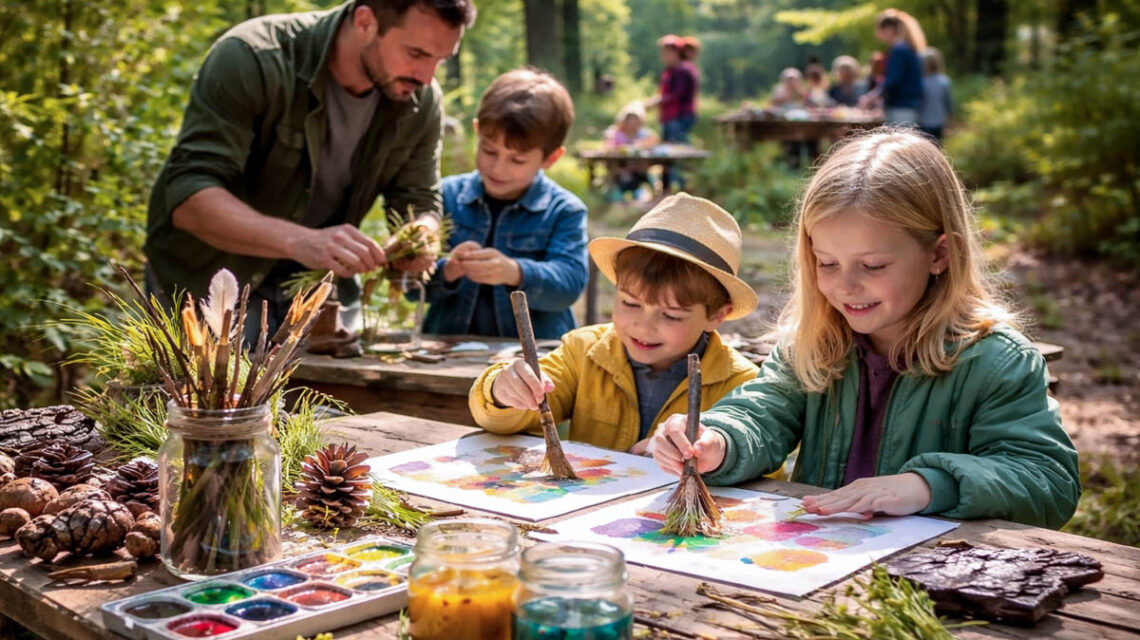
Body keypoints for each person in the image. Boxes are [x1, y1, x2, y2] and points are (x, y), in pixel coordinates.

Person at [649, 130, 1080, 529]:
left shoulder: (997, 363)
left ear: (940, 254)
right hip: (819, 564)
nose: (845, 286)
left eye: (873, 266)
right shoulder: (813, 346)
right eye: (827, 263)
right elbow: (761, 415)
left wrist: (926, 486)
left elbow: (1048, 481)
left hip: (934, 583)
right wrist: (717, 439)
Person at [144, 0, 476, 339]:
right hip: (207, 285)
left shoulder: (421, 100)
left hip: (319, 296)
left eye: (441, 60)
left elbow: (419, 201)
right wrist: (301, 241)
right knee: (201, 395)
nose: (427, 76)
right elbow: (189, 198)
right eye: (417, 54)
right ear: (364, 23)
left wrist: (420, 235)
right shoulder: (253, 57)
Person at [469, 193, 760, 455]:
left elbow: (755, 459)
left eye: (671, 315)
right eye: (630, 304)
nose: (643, 327)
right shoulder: (583, 351)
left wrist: (711, 455)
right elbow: (503, 419)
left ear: (717, 316)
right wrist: (501, 392)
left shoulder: (740, 384)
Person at [421, 68, 588, 339]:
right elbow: (410, 286)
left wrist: (514, 272)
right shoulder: (446, 196)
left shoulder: (564, 210)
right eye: (489, 151)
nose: (498, 168)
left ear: (551, 158)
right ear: (478, 131)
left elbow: (569, 283)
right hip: (448, 354)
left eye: (517, 160)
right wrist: (447, 270)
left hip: (534, 364)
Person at [645, 35, 698, 192]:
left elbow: (677, 94)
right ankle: (667, 188)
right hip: (669, 117)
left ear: (675, 52)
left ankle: (684, 188)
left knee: (678, 153)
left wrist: (657, 101)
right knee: (667, 153)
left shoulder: (683, 70)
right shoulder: (671, 71)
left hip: (679, 117)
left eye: (666, 52)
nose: (663, 56)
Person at [860, 9, 925, 125]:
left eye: (879, 30)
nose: (877, 34)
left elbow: (893, 80)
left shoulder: (899, 50)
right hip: (908, 105)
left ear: (889, 29)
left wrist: (872, 96)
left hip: (901, 106)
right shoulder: (906, 48)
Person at [604, 101, 660, 199]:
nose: (633, 122)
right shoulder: (617, 133)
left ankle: (653, 192)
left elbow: (653, 140)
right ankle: (619, 195)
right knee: (623, 175)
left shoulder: (642, 133)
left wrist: (644, 144)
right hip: (622, 166)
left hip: (638, 167)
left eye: (635, 119)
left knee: (645, 171)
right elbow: (610, 147)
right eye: (630, 119)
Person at [918, 47, 953, 144]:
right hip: (932, 122)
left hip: (929, 122)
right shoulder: (944, 81)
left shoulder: (921, 82)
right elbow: (949, 104)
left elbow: (948, 104)